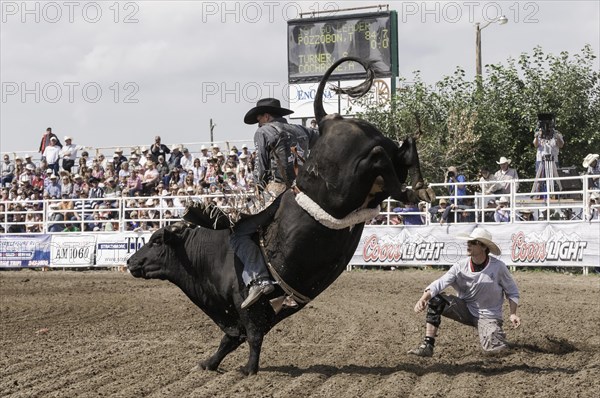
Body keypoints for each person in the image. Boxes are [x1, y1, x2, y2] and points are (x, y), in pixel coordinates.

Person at [230, 98, 319, 309]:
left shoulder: (264, 132)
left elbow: (260, 170)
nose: (259, 123)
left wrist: (258, 194)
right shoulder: (303, 130)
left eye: (259, 118)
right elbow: (321, 140)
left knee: (239, 232)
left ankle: (259, 279)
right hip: (305, 191)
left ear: (267, 116)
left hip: (278, 191)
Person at [407, 227, 521, 357]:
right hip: (465, 309)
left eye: (473, 242)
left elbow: (512, 292)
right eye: (468, 242)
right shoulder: (460, 266)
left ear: (483, 247)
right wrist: (424, 298)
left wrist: (513, 314)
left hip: (488, 316)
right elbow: (441, 282)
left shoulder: (498, 267)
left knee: (494, 350)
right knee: (436, 300)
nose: (468, 244)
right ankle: (428, 346)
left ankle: (500, 340)